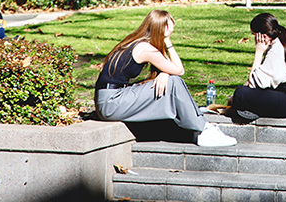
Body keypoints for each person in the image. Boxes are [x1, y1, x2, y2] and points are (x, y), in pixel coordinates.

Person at [94, 9, 236, 147]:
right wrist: (167, 41)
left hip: (109, 99)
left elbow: (168, 68)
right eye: (169, 30)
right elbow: (179, 70)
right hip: (111, 102)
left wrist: (164, 73)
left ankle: (197, 126)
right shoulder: (146, 49)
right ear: (162, 29)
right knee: (174, 82)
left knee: (170, 81)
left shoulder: (136, 41)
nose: (170, 33)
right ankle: (203, 129)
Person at [228, 13, 286, 122]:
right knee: (242, 92)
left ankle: (253, 109)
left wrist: (258, 52)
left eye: (254, 36)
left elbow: (255, 83)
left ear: (263, 36)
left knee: (241, 95)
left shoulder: (277, 50)